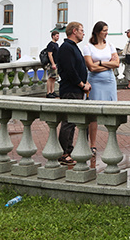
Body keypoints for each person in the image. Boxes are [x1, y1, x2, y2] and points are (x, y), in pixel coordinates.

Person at [82, 21, 120, 156]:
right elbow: (91, 67)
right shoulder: (88, 47)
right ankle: (92, 144)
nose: (106, 32)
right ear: (97, 31)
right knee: (94, 115)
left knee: (112, 111)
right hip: (95, 81)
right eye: (104, 30)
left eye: (107, 30)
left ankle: (112, 142)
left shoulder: (110, 45)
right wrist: (108, 65)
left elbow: (117, 63)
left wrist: (101, 63)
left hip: (109, 81)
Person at [56, 21, 90, 166]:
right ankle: (64, 153)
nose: (83, 33)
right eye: (82, 30)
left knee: (72, 122)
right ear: (74, 31)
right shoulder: (66, 48)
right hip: (71, 90)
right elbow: (70, 71)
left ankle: (67, 151)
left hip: (75, 89)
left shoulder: (72, 47)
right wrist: (82, 84)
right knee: (68, 122)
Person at [42, 30, 60, 98]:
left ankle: (52, 91)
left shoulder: (56, 44)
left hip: (56, 63)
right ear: (53, 36)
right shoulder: (50, 44)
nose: (58, 37)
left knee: (54, 78)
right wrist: (52, 63)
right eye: (57, 36)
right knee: (50, 78)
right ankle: (48, 92)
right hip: (52, 63)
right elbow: (50, 54)